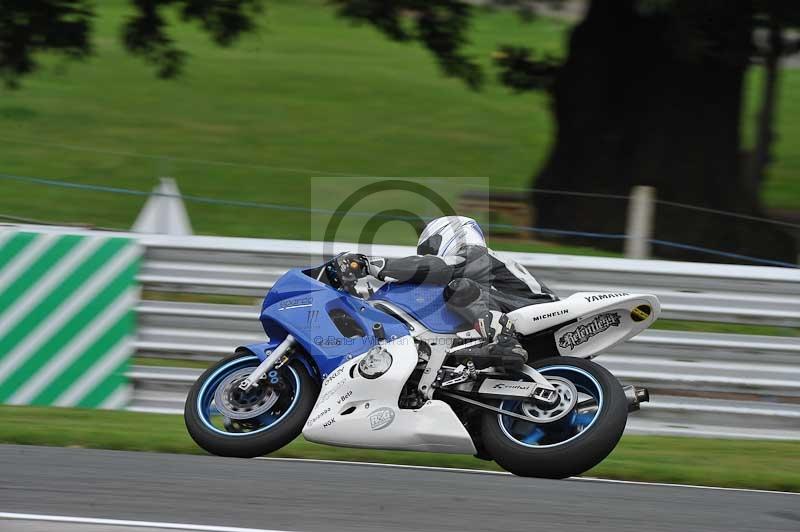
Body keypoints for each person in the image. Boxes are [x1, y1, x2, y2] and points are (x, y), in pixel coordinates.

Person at [345, 216, 557, 369]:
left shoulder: (476, 254)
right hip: (524, 313)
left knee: (461, 289)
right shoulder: (483, 261)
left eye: (430, 249)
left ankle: (505, 342)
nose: (428, 255)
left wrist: (374, 265)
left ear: (448, 234)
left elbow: (439, 268)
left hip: (535, 307)